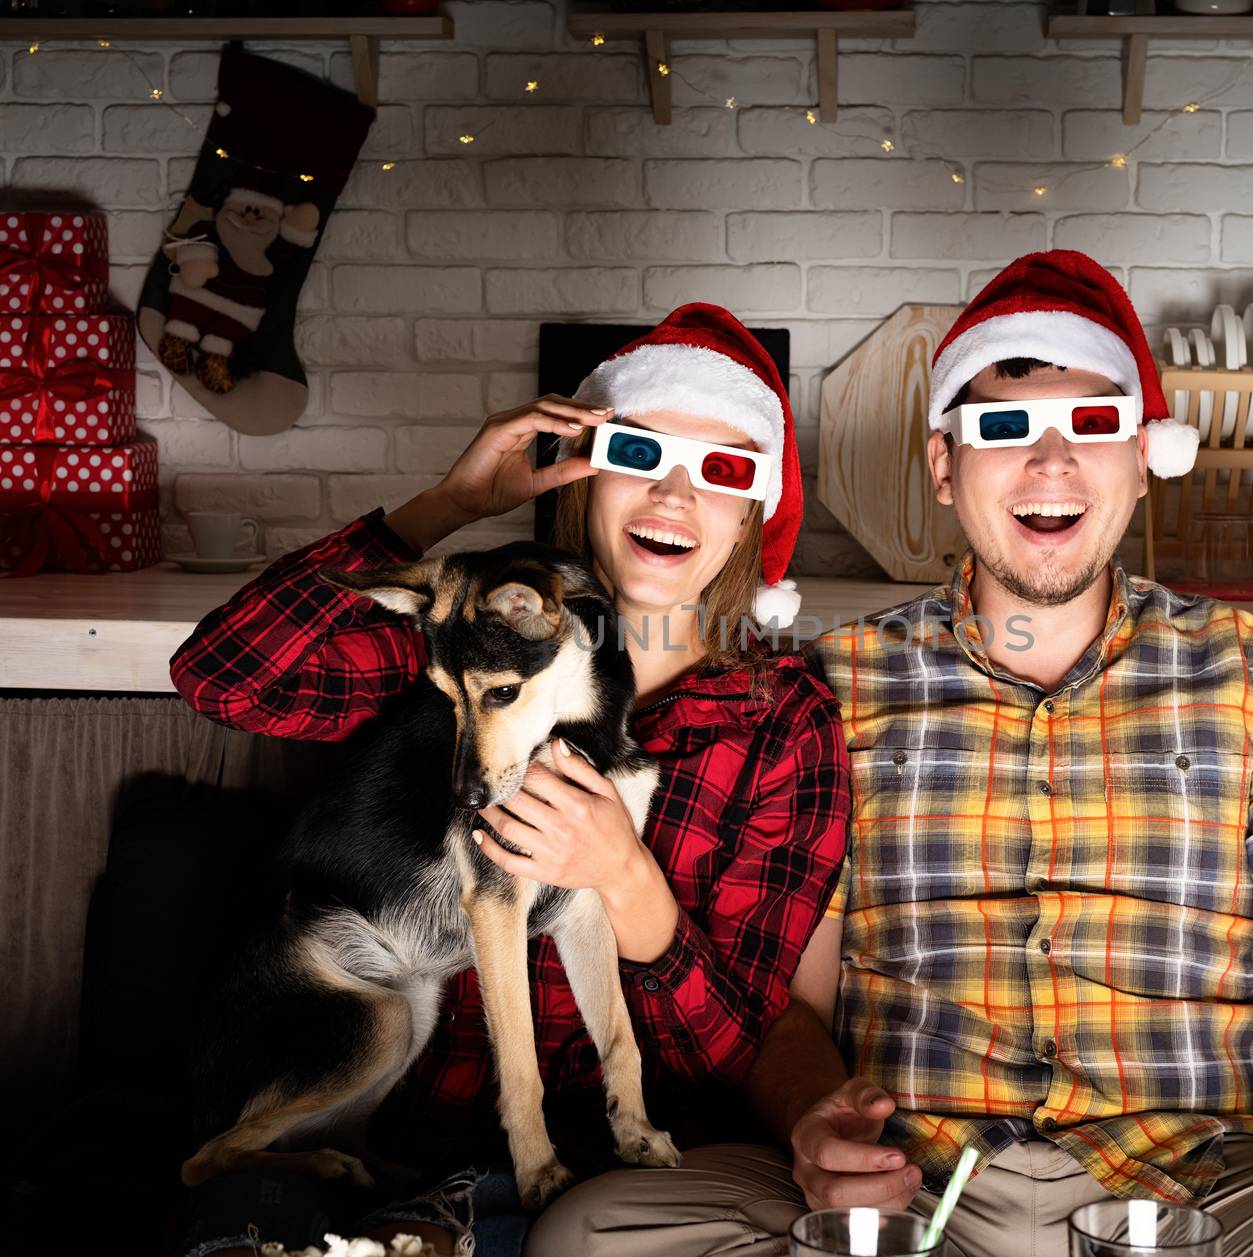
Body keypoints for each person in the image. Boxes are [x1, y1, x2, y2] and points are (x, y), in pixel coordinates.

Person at [528, 253, 1253, 1257]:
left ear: (1143, 459)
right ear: (944, 466)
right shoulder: (832, 685)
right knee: (594, 1231)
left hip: (1204, 1189)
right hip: (915, 1188)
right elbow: (793, 1005)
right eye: (1004, 427)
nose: (1050, 462)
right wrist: (816, 1122)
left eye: (1091, 422)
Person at [168, 304, 848, 1257]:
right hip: (404, 1158)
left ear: (751, 518)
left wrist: (625, 880)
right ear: (589, 476)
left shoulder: (781, 721)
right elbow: (224, 674)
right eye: (642, 455)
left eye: (723, 472)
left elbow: (742, 1048)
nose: (674, 496)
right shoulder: (466, 641)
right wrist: (445, 505)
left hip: (631, 1192)